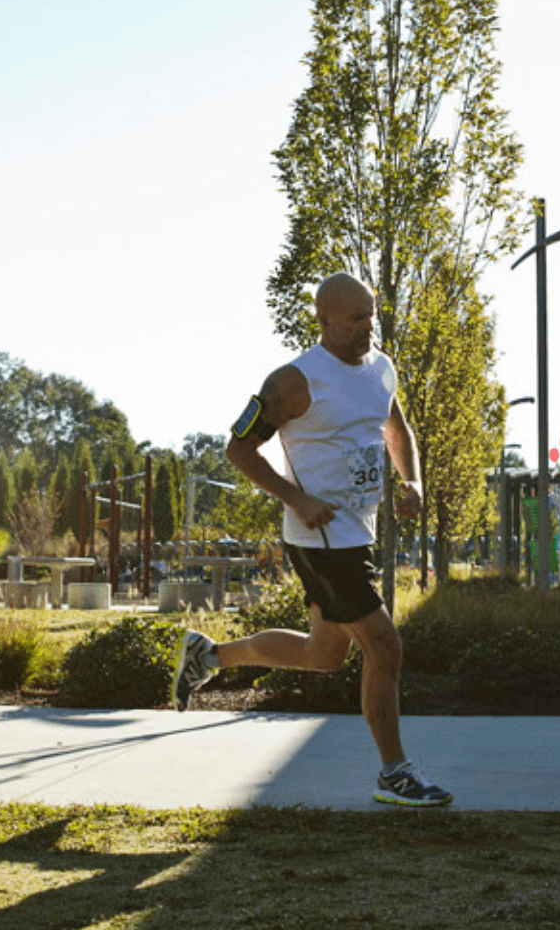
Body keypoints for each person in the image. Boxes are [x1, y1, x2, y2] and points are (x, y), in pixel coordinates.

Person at [171, 272, 451, 807]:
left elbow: (397, 427)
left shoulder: (381, 368)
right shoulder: (294, 380)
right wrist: (296, 499)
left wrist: (410, 478)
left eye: (371, 315)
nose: (368, 327)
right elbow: (239, 450)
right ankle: (394, 773)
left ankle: (208, 658)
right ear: (323, 320)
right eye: (355, 318)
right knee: (384, 644)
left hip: (357, 533)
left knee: (324, 656)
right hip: (319, 535)